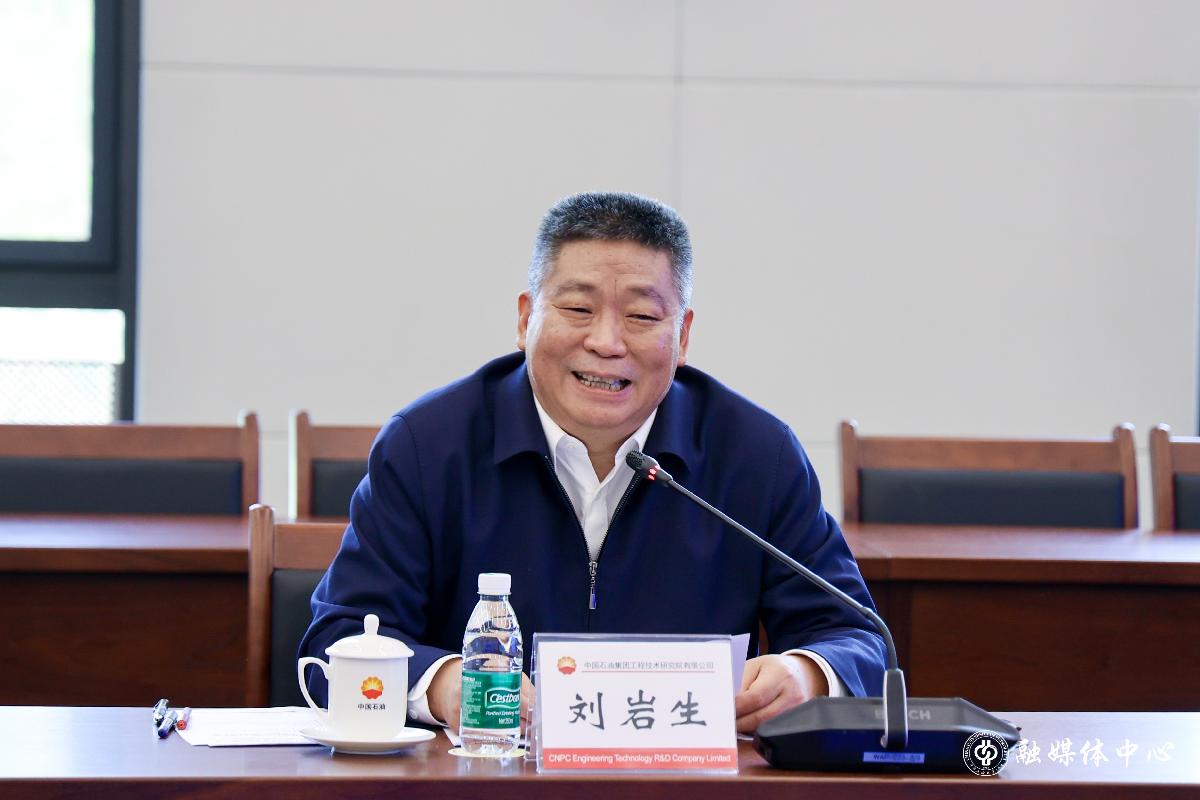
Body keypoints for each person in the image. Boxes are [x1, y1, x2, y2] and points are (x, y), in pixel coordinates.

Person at [299, 192, 885, 733]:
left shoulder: (757, 455)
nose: (607, 342)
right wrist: (447, 685)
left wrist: (808, 675)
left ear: (683, 335)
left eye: (642, 317)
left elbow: (856, 636)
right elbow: (341, 636)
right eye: (578, 308)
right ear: (526, 318)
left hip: (684, 789)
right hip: (484, 781)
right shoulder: (429, 446)